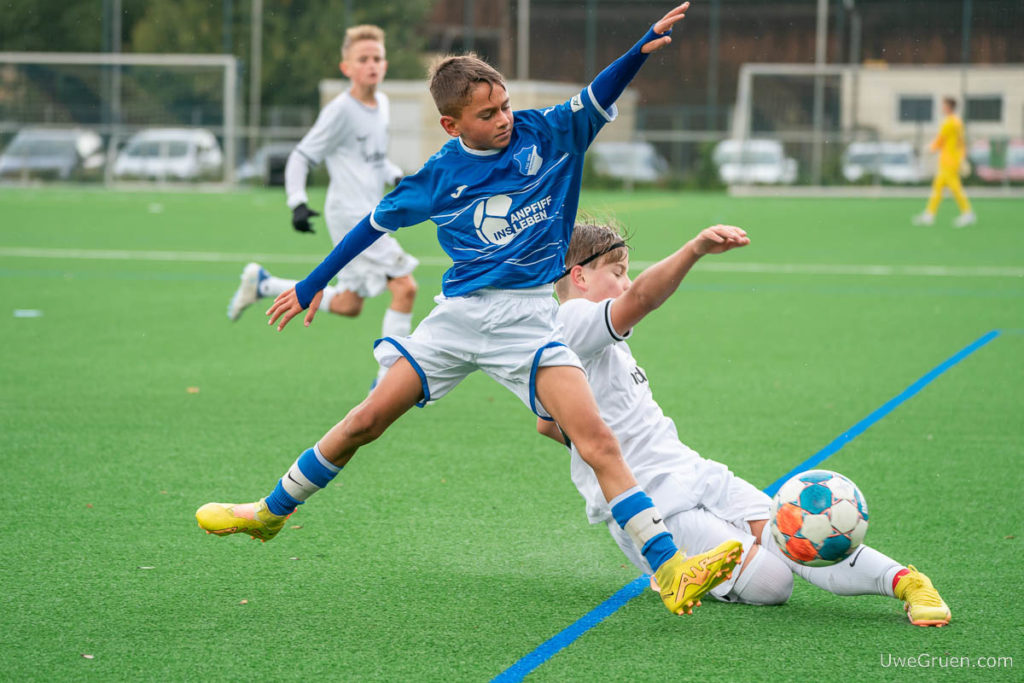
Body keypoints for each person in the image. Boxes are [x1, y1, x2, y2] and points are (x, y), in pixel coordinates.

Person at [198, 3, 744, 617]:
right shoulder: (436, 177)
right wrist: (311, 282)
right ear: (451, 124)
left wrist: (641, 45)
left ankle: (671, 570)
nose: (505, 119)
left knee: (598, 442)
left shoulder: (548, 133)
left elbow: (596, 93)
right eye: (488, 115)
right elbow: (368, 229)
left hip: (530, 324)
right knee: (365, 421)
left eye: (505, 105)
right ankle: (270, 512)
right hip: (457, 321)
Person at [538, 217, 952, 627]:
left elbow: (547, 423)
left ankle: (907, 582)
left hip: (692, 472)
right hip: (654, 504)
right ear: (580, 276)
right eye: (618, 272)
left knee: (794, 530)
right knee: (775, 583)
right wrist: (694, 249)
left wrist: (595, 443)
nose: (627, 282)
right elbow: (642, 300)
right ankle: (669, 565)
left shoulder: (591, 339)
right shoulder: (571, 320)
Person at [226, 24, 419, 387]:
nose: (372, 65)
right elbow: (301, 156)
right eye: (363, 59)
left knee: (349, 304)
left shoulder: (383, 105)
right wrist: (297, 202)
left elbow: (373, 160)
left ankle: (263, 284)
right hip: (350, 214)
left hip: (371, 210)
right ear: (347, 67)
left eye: (377, 58)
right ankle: (387, 382)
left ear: (386, 64)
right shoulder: (340, 111)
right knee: (405, 287)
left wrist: (396, 177)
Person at [913, 96, 976, 228]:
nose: (942, 108)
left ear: (948, 107)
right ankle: (929, 215)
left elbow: (940, 141)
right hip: (952, 159)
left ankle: (968, 213)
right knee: (938, 186)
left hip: (949, 161)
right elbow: (961, 142)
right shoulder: (958, 122)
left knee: (955, 188)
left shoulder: (949, 123)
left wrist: (927, 149)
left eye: (943, 105)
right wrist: (962, 157)